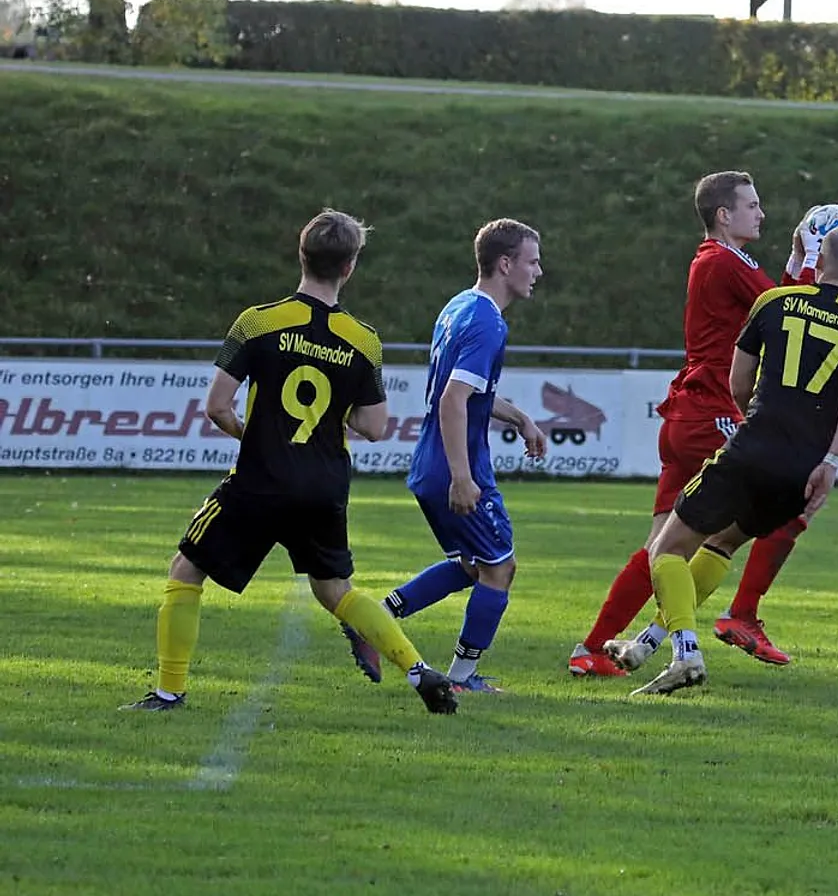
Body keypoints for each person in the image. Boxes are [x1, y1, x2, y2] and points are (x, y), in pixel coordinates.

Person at [123, 209, 457, 716]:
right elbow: (374, 426)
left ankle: (169, 692)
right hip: (324, 486)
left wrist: (256, 436)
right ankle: (419, 671)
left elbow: (217, 406)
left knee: (186, 570)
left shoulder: (258, 321)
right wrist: (330, 420)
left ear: (301, 256)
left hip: (260, 480)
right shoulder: (363, 339)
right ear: (348, 267)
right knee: (336, 590)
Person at [569, 171, 822, 678]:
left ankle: (593, 649)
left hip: (690, 413)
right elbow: (789, 314)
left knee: (661, 546)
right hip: (713, 414)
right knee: (788, 502)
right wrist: (812, 260)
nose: (762, 213)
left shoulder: (724, 261)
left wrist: (797, 264)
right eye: (752, 205)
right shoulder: (724, 261)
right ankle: (738, 616)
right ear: (724, 215)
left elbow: (777, 303)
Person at [632, 226, 838, 695]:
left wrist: (759, 417)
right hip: (801, 471)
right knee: (721, 545)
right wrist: (831, 460)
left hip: (752, 450)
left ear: (818, 262)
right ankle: (647, 641)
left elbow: (738, 382)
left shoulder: (774, 302)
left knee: (665, 550)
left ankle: (685, 653)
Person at [371, 219, 550, 694]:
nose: (538, 271)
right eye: (532, 261)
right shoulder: (488, 323)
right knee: (500, 568)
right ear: (505, 264)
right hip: (456, 466)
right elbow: (452, 401)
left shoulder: (459, 306)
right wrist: (462, 476)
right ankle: (461, 678)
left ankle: (376, 618)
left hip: (431, 462)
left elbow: (471, 395)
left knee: (474, 566)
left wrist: (521, 419)